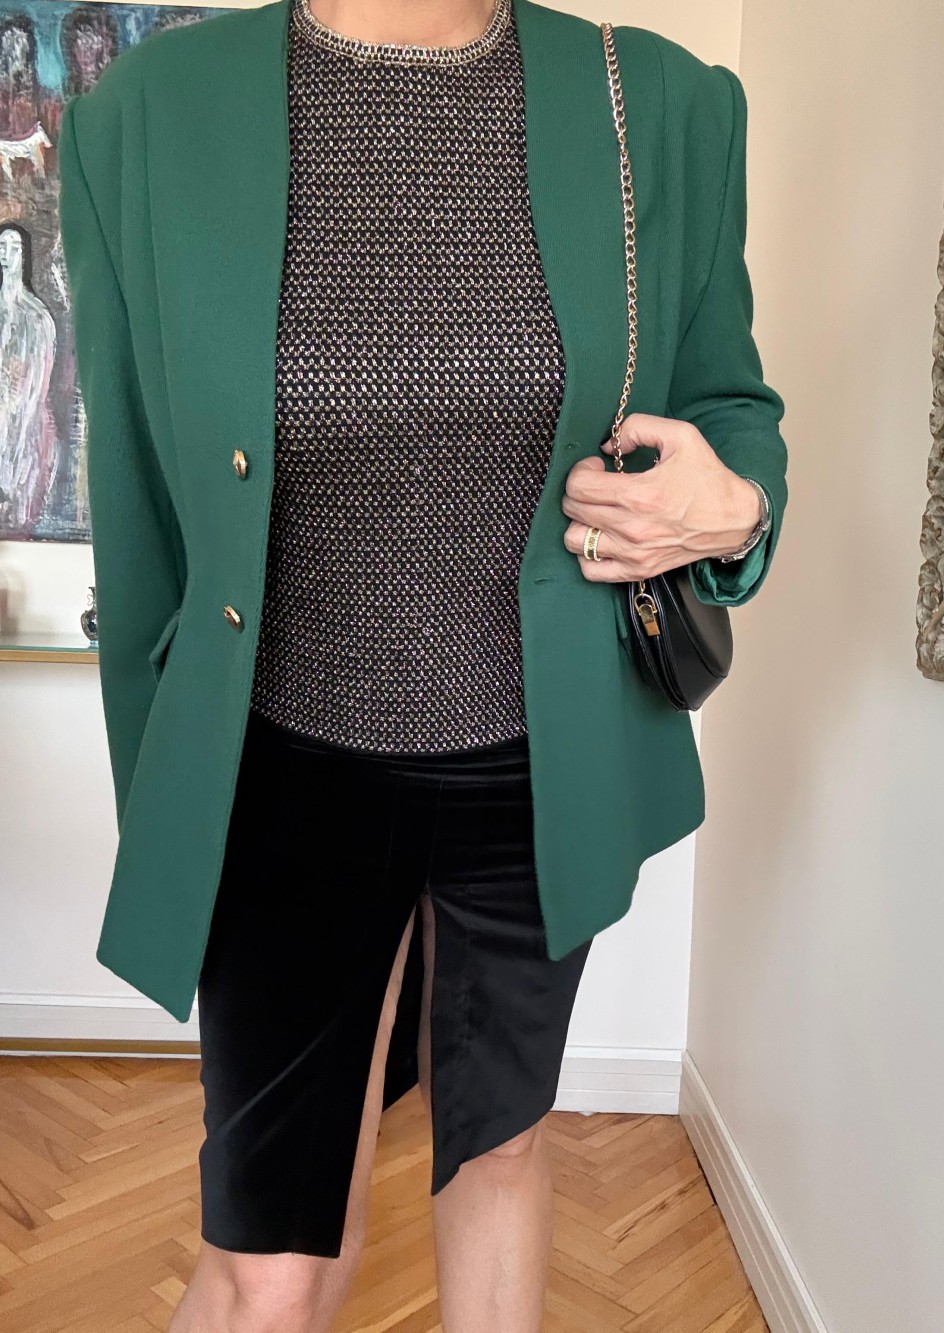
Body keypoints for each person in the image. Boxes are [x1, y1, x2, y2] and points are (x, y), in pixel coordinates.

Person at [57, 0, 788, 1327]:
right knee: (272, 1258)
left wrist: (735, 510)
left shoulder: (660, 106)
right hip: (278, 768)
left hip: (539, 766)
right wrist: (165, 812)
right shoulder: (146, 121)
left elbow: (729, 405)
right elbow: (143, 525)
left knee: (498, 1144)